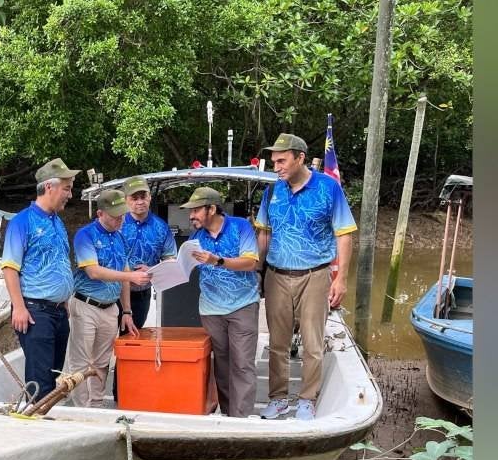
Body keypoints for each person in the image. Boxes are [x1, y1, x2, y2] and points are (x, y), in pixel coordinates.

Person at [255, 133, 357, 420]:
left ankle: (307, 399)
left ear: (300, 158)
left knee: (313, 343)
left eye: (281, 160)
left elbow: (345, 234)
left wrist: (341, 279)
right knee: (277, 342)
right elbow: (264, 233)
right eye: (274, 161)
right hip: (276, 275)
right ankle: (277, 398)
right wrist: (257, 271)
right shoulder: (272, 192)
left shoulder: (328, 188)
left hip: (314, 275)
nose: (276, 166)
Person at [1, 158, 79, 403]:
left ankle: (48, 417)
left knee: (55, 376)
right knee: (41, 379)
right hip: (35, 312)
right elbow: (9, 268)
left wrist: (64, 299)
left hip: (58, 311)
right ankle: (37, 421)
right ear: (49, 187)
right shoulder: (22, 222)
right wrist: (20, 308)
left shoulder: (57, 222)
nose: (70, 194)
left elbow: (59, 262)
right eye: (66, 188)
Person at [66, 189, 151, 407]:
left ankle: (96, 404)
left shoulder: (119, 236)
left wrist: (127, 310)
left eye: (122, 215)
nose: (120, 219)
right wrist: (130, 275)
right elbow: (93, 272)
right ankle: (81, 408)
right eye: (115, 216)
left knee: (103, 361)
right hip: (86, 305)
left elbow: (123, 271)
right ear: (100, 214)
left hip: (110, 308)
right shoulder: (85, 235)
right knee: (81, 362)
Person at [181, 186, 261, 418]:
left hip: (243, 305)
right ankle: (228, 414)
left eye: (196, 210)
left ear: (212, 209)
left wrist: (218, 260)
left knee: (243, 364)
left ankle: (241, 418)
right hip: (210, 308)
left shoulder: (241, 227)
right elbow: (182, 266)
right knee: (222, 366)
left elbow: (250, 263)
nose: (191, 215)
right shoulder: (195, 238)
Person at [118, 176, 176, 329]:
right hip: (112, 292)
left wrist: (152, 270)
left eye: (143, 196)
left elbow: (171, 260)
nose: (139, 201)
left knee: (133, 342)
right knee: (108, 341)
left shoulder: (161, 227)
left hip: (141, 294)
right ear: (125, 200)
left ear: (150, 197)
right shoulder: (116, 222)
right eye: (134, 198)